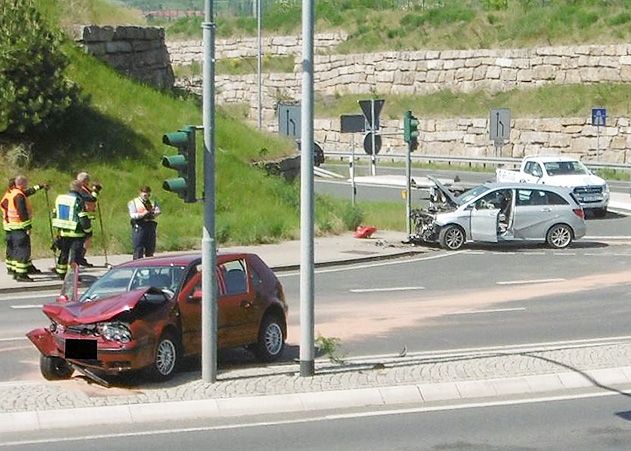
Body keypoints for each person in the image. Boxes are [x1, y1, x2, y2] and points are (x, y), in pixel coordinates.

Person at [0, 175, 48, 281]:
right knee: (23, 250)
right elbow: (22, 212)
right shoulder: (18, 195)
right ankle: (21, 274)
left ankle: (14, 269)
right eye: (25, 183)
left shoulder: (11, 193)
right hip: (18, 226)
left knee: (13, 249)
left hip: (9, 226)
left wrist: (39, 187)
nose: (27, 186)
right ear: (18, 184)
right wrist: (27, 226)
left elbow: (28, 192)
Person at [52, 180, 92, 279]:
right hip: (76, 232)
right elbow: (82, 217)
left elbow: (55, 213)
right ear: (80, 188)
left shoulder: (60, 198)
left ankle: (61, 272)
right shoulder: (78, 200)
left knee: (64, 253)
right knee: (75, 256)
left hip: (63, 231)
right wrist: (88, 230)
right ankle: (73, 275)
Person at [75, 172, 102, 267]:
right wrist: (95, 191)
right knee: (86, 237)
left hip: (87, 215)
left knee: (86, 237)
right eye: (87, 181)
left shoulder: (85, 189)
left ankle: (80, 257)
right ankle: (79, 257)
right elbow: (91, 199)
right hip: (83, 216)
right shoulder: (80, 190)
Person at [128, 186, 161, 260]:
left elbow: (158, 210)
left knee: (150, 248)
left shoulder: (152, 202)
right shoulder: (133, 202)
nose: (147, 197)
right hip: (139, 226)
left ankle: (149, 266)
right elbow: (133, 215)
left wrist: (155, 213)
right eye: (145, 195)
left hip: (150, 225)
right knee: (138, 248)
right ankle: (137, 265)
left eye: (148, 195)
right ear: (140, 193)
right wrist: (143, 214)